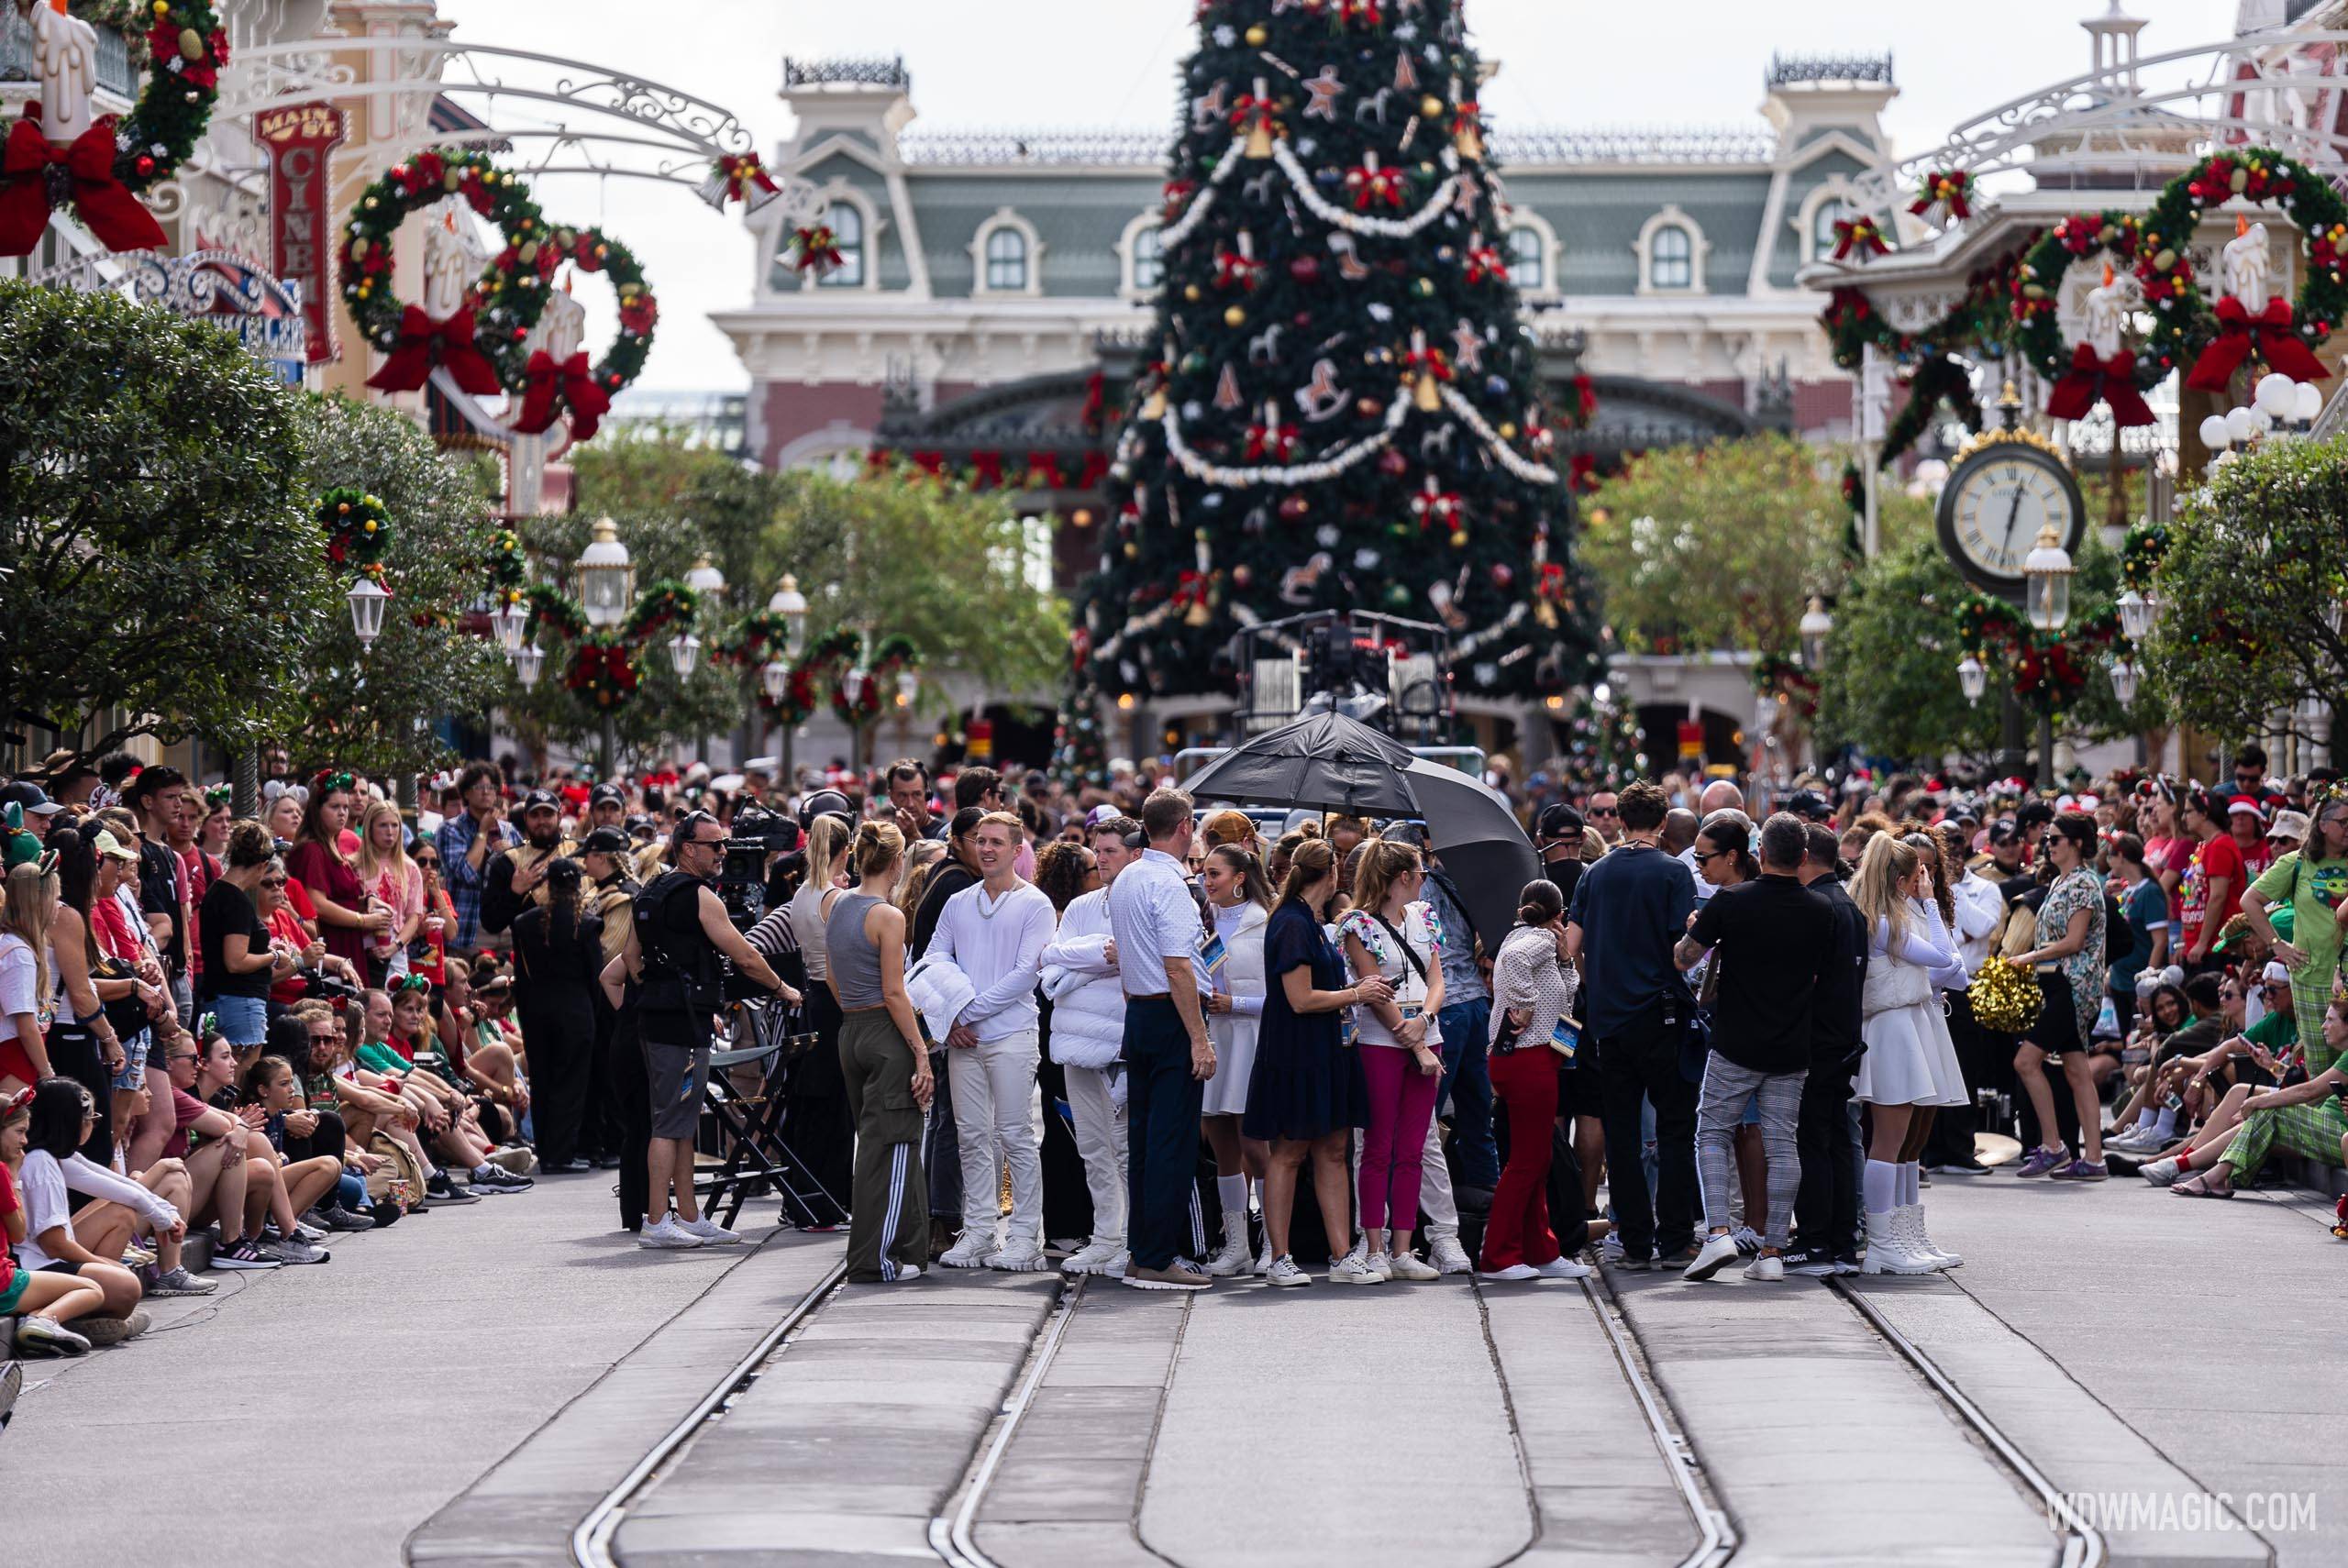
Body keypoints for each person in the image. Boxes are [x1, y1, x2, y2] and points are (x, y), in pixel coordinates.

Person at [616, 812, 799, 1250]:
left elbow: (630, 956)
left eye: (724, 844)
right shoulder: (698, 895)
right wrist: (784, 988)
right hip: (679, 1026)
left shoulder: (652, 889)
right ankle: (657, 1220)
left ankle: (691, 1216)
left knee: (679, 1121)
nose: (723, 852)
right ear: (687, 848)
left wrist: (661, 991)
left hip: (665, 1019)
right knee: (668, 1122)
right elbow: (745, 955)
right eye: (714, 845)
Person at [1674, 813, 1833, 1283]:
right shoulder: (1821, 910)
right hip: (1791, 1046)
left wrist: (1698, 929)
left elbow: (1683, 957)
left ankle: (1719, 1231)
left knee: (1712, 1132)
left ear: (1759, 854)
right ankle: (1773, 1251)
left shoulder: (1730, 902)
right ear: (1803, 858)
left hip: (1735, 1043)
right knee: (1784, 1146)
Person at [1567, 781, 1699, 1270]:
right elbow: (1681, 952)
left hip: (1610, 1021)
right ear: (1663, 823)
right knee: (1674, 1129)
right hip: (1662, 1015)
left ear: (1620, 821)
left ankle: (1636, 1240)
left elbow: (1571, 946)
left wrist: (1596, 983)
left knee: (1621, 1134)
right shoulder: (1672, 874)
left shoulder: (1594, 874)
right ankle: (1676, 1239)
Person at [1243, 838, 1387, 1286]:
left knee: (1332, 1148)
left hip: (1328, 1049)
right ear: (1332, 873)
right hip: (1296, 1051)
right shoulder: (1291, 923)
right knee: (1289, 1150)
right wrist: (1357, 993)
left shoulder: (1313, 920)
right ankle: (1279, 1257)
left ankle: (1343, 1255)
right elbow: (1300, 999)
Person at [928, 812, 1057, 1272]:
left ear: (1016, 849)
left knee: (1016, 1136)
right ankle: (978, 1231)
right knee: (971, 1137)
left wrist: (968, 1011)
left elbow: (1027, 973)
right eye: (981, 840)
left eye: (997, 842)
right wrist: (951, 1016)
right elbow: (933, 957)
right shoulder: (959, 901)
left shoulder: (1035, 904)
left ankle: (1025, 1235)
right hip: (964, 1039)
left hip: (1011, 1036)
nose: (986, 849)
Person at [1109, 789, 1219, 1291]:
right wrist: (1199, 1038)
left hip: (1141, 1013)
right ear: (1184, 827)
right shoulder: (1169, 883)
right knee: (1170, 1142)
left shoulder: (1130, 875)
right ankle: (1157, 1255)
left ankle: (1143, 1249)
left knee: (1147, 1140)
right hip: (1171, 1015)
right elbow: (1178, 967)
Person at [1849, 834, 1970, 1273]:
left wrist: (1928, 911)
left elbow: (1958, 973)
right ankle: (1883, 1243)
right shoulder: (1883, 921)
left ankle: (1904, 1236)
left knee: (1905, 1143)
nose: (1924, 882)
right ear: (1901, 879)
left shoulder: (1893, 915)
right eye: (1918, 875)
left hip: (1907, 1023)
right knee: (1888, 1143)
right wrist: (1932, 906)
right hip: (1892, 1027)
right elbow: (1945, 959)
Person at [825, 821, 935, 1282]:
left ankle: (906, 1249)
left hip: (850, 1029)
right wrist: (921, 1052)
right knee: (891, 1148)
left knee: (880, 1145)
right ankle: (877, 1258)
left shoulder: (837, 905)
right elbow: (895, 992)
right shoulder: (888, 916)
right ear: (896, 863)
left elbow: (829, 976)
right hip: (886, 1033)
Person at [1338, 840, 1447, 1282]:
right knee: (1377, 1146)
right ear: (1403, 876)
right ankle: (1375, 1245)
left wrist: (1425, 1020)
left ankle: (1404, 1247)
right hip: (1381, 1043)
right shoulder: (1358, 924)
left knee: (1413, 1147)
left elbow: (1438, 979)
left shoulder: (1424, 916)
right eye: (1420, 870)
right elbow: (1373, 985)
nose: (1424, 877)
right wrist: (1413, 1040)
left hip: (1427, 1032)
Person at [1038, 815, 1139, 1278]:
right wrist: (1102, 956)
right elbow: (1051, 965)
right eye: (1097, 851)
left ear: (1134, 853)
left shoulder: (1143, 901)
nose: (1100, 859)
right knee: (1092, 1147)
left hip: (1119, 1045)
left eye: (1110, 851)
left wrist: (1088, 960)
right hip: (1074, 1043)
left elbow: (1143, 965)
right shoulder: (1080, 906)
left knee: (1122, 1147)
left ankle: (1130, 1240)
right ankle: (1105, 1237)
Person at [1478, 879, 1589, 1282]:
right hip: (1530, 1059)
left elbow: (1568, 992)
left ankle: (1540, 1248)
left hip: (1530, 1058)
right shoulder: (1536, 939)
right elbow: (1514, 966)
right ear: (1560, 915)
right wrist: (1522, 1004)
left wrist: (1563, 959)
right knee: (1527, 1162)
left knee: (1535, 1159)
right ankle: (1499, 1256)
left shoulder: (1529, 938)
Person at [2010, 812, 2111, 1182]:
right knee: (2076, 1070)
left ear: (2077, 843)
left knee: (2026, 1062)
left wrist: (2028, 956)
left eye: (2055, 839)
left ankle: (2054, 1146)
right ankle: (2094, 1159)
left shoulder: (2084, 882)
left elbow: (2074, 940)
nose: (2048, 845)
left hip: (2074, 984)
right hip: (2059, 983)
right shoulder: (2061, 881)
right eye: (2047, 840)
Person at [1788, 823, 1866, 1276]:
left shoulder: (1820, 905)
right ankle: (1839, 1240)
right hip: (1843, 1039)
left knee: (1813, 1139)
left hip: (1818, 1041)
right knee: (1835, 1138)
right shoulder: (1847, 904)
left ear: (1803, 856)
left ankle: (1816, 1240)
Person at [1198, 840, 1272, 1275]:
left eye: (1215, 874)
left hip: (1250, 1038)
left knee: (1255, 1144)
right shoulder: (1200, 921)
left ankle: (1272, 1242)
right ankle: (1236, 1244)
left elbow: (1283, 997)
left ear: (1239, 879)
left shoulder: (1263, 924)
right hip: (1212, 1037)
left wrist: (1237, 1004)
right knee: (1219, 1138)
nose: (1207, 882)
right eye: (1204, 873)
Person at [2240, 790, 2348, 1077]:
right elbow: (2250, 901)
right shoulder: (2297, 863)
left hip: (2346, 977)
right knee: (2320, 1066)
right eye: (2344, 822)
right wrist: (2277, 945)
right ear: (2323, 825)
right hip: (2310, 978)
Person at [780, 813, 854, 1229]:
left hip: (811, 998)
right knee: (834, 1107)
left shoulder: (801, 895)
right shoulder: (836, 898)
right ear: (846, 851)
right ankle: (827, 1203)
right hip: (835, 1000)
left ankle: (804, 1199)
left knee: (811, 1105)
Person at [2, 1086, 112, 1357]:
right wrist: (16, 1176)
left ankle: (39, 1324)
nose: (25, 1141)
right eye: (19, 1132)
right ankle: (41, 1321)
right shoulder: (3, 1173)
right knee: (92, 1289)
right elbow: (18, 1233)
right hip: (4, 1282)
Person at [511, 858, 604, 1175]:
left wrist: (524, 1014)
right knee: (571, 1083)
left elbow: (521, 979)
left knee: (544, 1079)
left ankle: (548, 1151)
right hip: (577, 1011)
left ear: (547, 885)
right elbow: (596, 977)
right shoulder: (587, 924)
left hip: (537, 1010)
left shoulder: (525, 923)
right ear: (578, 886)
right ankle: (562, 1153)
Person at [199, 821, 291, 1053]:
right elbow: (236, 961)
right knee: (241, 1075)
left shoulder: (217, 892)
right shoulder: (236, 900)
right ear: (262, 865)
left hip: (223, 998)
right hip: (239, 1002)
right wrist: (274, 956)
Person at [438, 762, 519, 952]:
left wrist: (513, 854)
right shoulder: (451, 829)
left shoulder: (509, 831)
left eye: (490, 787)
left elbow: (521, 876)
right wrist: (482, 832)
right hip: (471, 925)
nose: (486, 793)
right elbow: (466, 873)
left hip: (506, 925)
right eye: (479, 787)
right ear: (466, 793)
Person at [480, 790, 571, 944]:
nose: (541, 821)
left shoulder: (579, 853)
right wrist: (515, 893)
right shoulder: (506, 862)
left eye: (547, 814)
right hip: (528, 960)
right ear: (525, 818)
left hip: (575, 958)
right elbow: (491, 923)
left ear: (559, 817)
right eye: (535, 815)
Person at [2, 857, 59, 1100]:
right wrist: (47, 1072)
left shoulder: (18, 946)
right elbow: (26, 1026)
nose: (59, 905)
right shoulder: (19, 954)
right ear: (39, 902)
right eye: (55, 898)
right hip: (13, 1054)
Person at [352, 800, 424, 985]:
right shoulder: (353, 865)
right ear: (370, 828)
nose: (390, 831)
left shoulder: (410, 868)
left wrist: (395, 946)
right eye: (383, 825)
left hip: (396, 948)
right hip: (360, 944)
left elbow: (413, 916)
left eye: (394, 825)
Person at [2178, 787, 2243, 973]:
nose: (2184, 817)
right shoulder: (2204, 846)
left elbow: (2217, 897)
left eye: (2188, 811)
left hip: (2214, 947)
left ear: (2204, 813)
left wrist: (2202, 943)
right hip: (2197, 945)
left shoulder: (2220, 846)